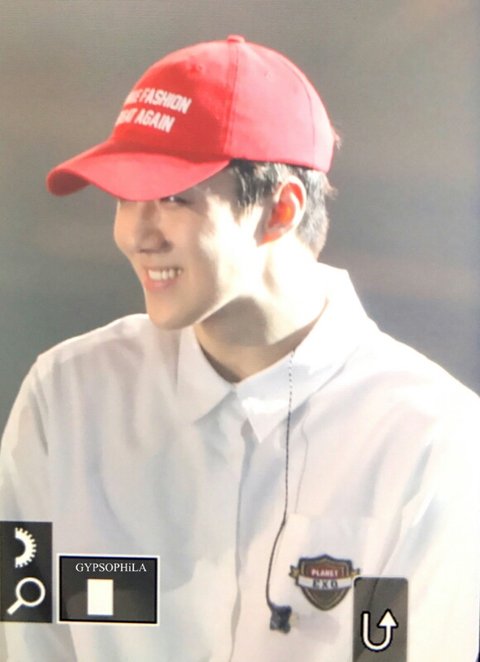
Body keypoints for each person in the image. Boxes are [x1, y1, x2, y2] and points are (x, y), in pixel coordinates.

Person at [0, 35, 478, 662]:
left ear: (280, 211)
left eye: (173, 197)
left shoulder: (432, 438)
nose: (136, 233)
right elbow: (26, 640)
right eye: (124, 196)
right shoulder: (66, 397)